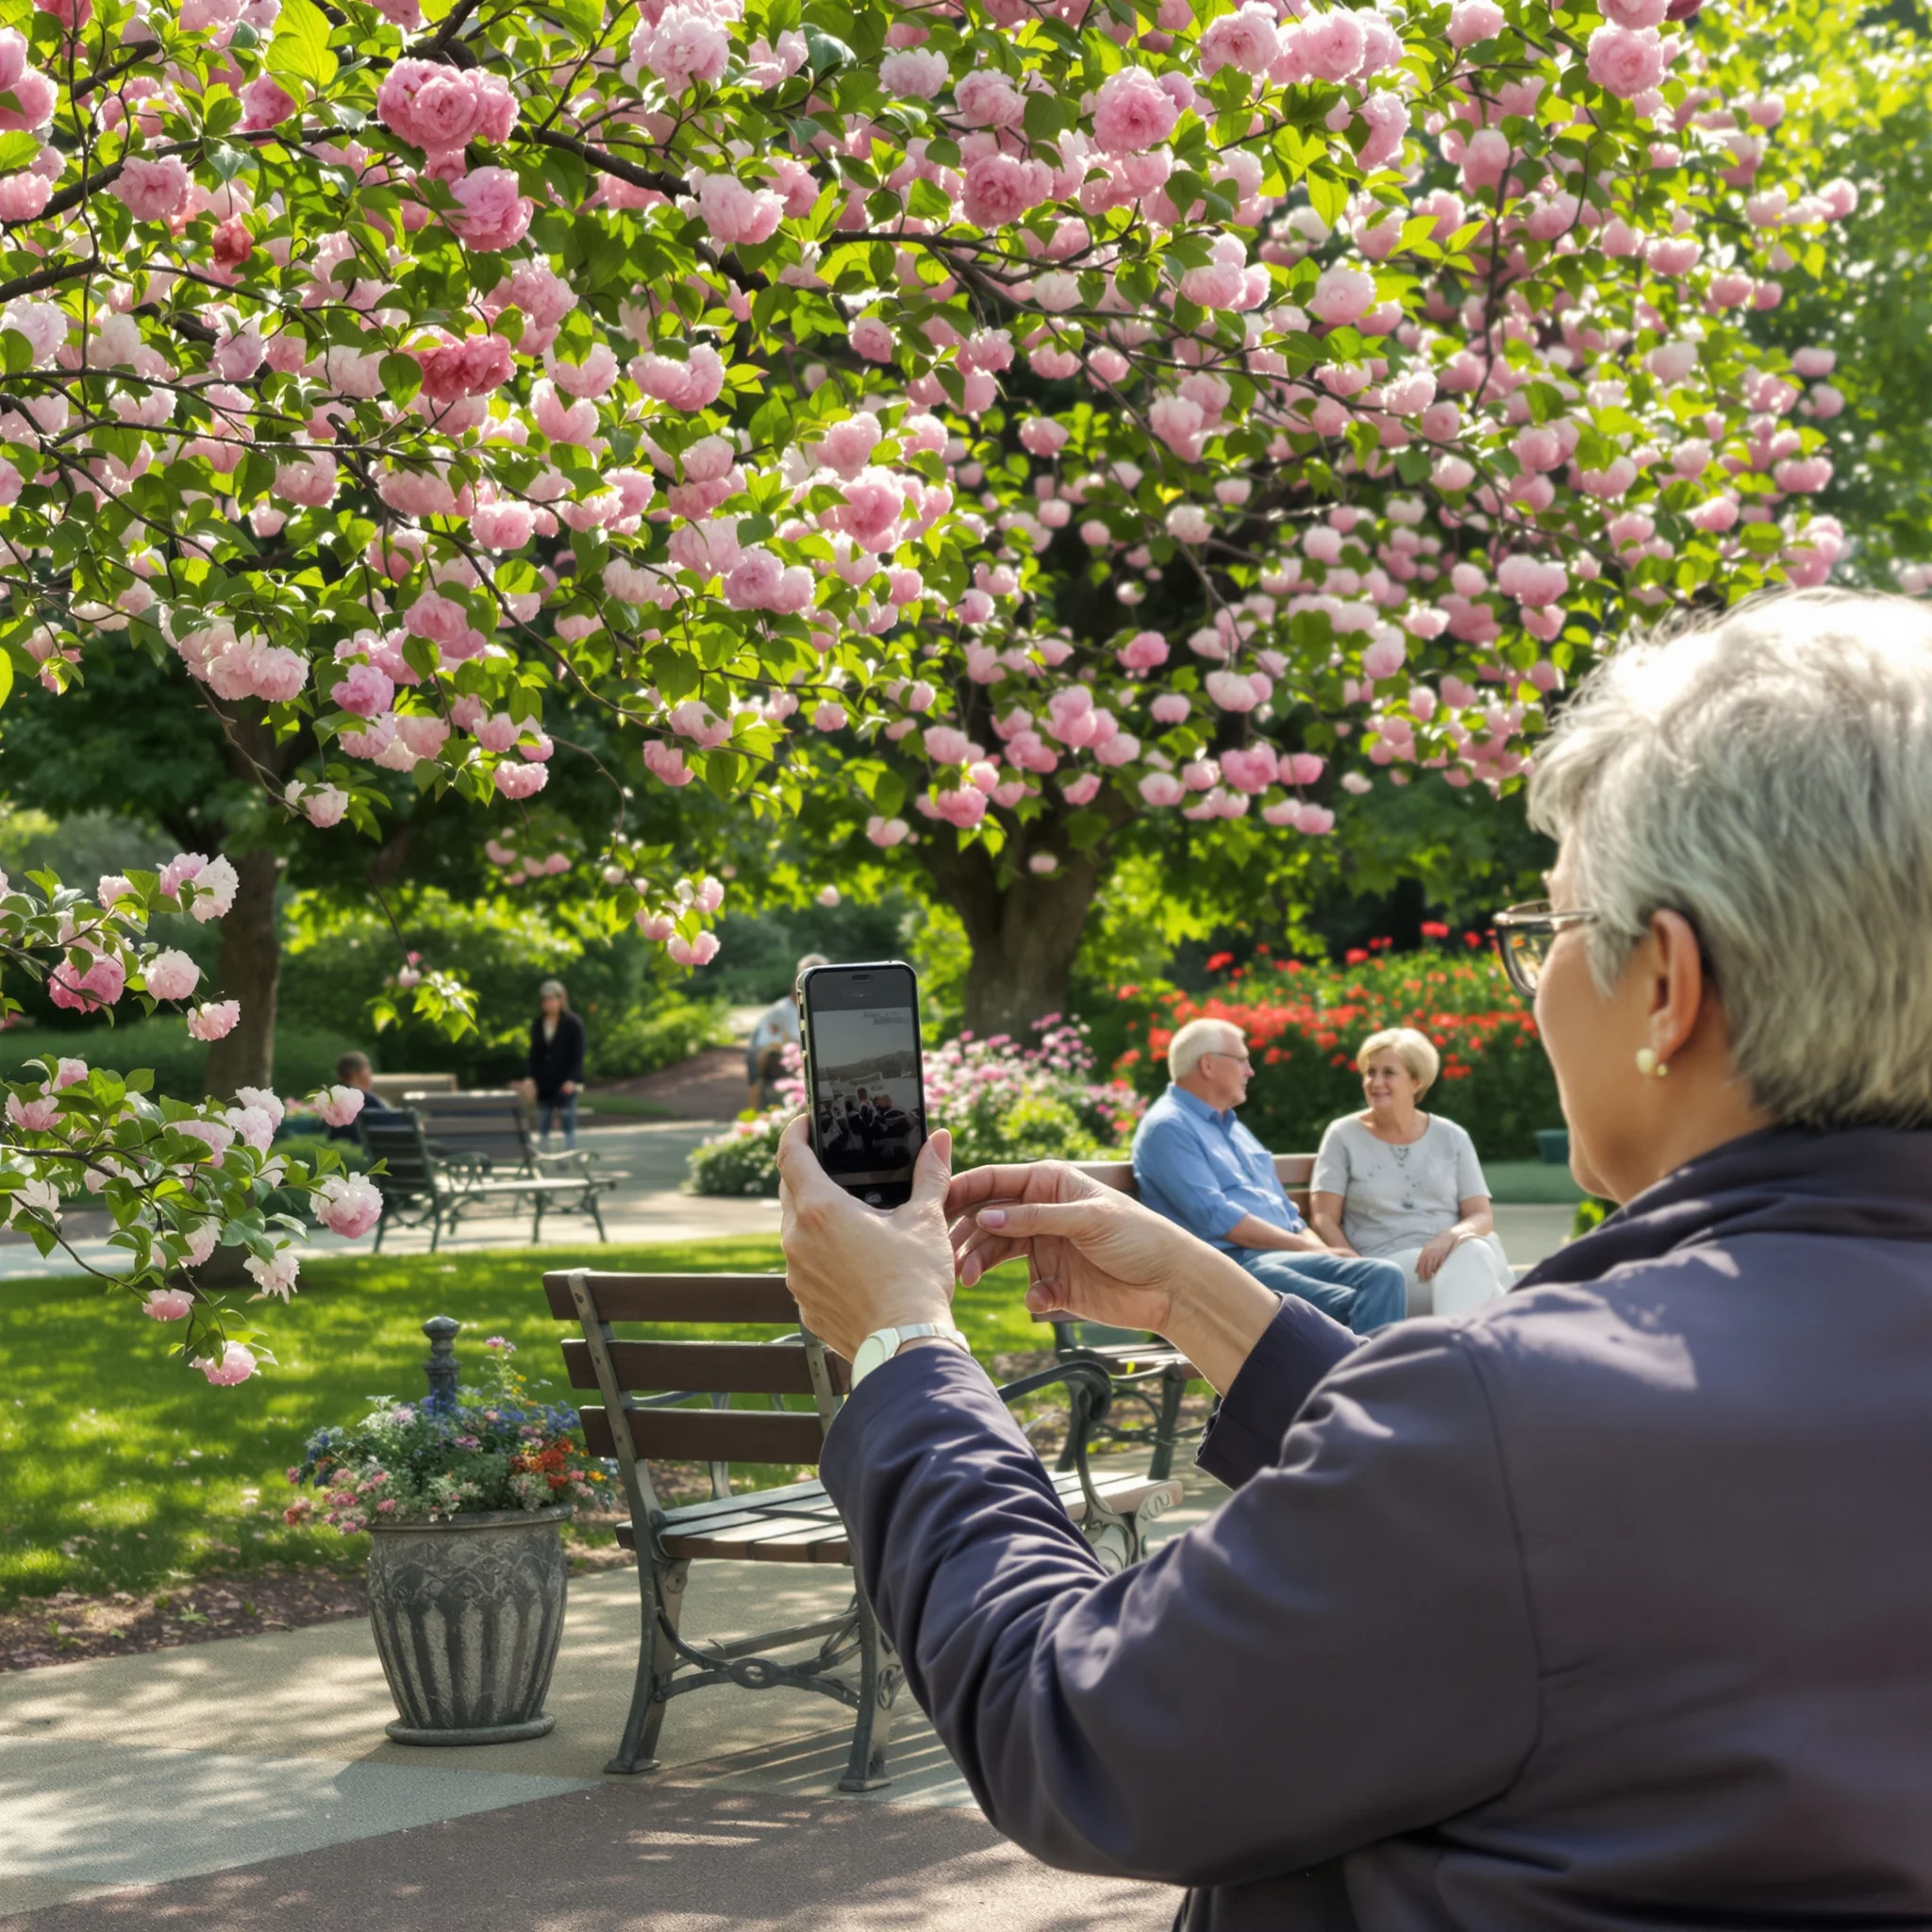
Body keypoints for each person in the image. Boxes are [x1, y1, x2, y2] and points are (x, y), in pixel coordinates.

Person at [774, 590, 1932, 1924]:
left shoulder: (1524, 1423)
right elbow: (1550, 1541)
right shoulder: (1579, 1424)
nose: (1537, 989)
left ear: (1665, 987)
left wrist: (904, 1347)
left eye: (1545, 933)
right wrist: (1210, 1304)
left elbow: (1078, 1727)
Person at [1131, 1015, 1406, 1334]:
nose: (1250, 1071)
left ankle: (1365, 1382)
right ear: (1208, 1064)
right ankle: (1364, 1383)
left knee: (1385, 1276)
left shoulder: (1233, 1128)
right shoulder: (1169, 1128)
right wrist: (1311, 1249)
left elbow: (1288, 1214)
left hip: (1277, 1259)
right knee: (1353, 1301)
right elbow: (1216, 1217)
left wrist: (1318, 1248)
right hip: (1229, 1269)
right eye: (1243, 1060)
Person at [1309, 1026, 1514, 1317]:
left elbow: (1480, 1215)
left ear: (1417, 1081)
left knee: (1474, 1253)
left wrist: (1449, 1237)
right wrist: (1357, 1268)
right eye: (1370, 1072)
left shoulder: (1451, 1136)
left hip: (1458, 1255)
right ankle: (1465, 1352)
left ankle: (1449, 1356)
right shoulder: (1343, 1135)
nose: (1375, 1082)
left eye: (1388, 1073)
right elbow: (1324, 1218)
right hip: (1390, 1269)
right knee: (1480, 1262)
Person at [745, 953, 829, 1110]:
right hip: (765, 1052)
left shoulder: (810, 1008)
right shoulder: (784, 1010)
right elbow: (792, 1041)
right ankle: (754, 1118)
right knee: (758, 1084)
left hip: (780, 1052)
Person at [526, 978, 586, 1149]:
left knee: (568, 1123)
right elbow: (534, 1053)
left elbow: (578, 1055)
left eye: (552, 998)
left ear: (561, 999)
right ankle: (543, 1158)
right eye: (544, 999)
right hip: (544, 1083)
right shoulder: (538, 1024)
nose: (548, 1003)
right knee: (543, 1124)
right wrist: (530, 1077)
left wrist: (572, 1080)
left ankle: (569, 1156)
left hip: (566, 1082)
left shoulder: (573, 1023)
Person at [326, 1051, 406, 1141]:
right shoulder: (366, 1100)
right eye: (368, 1069)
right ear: (359, 1073)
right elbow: (396, 1123)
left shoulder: (332, 1099)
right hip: (378, 1148)